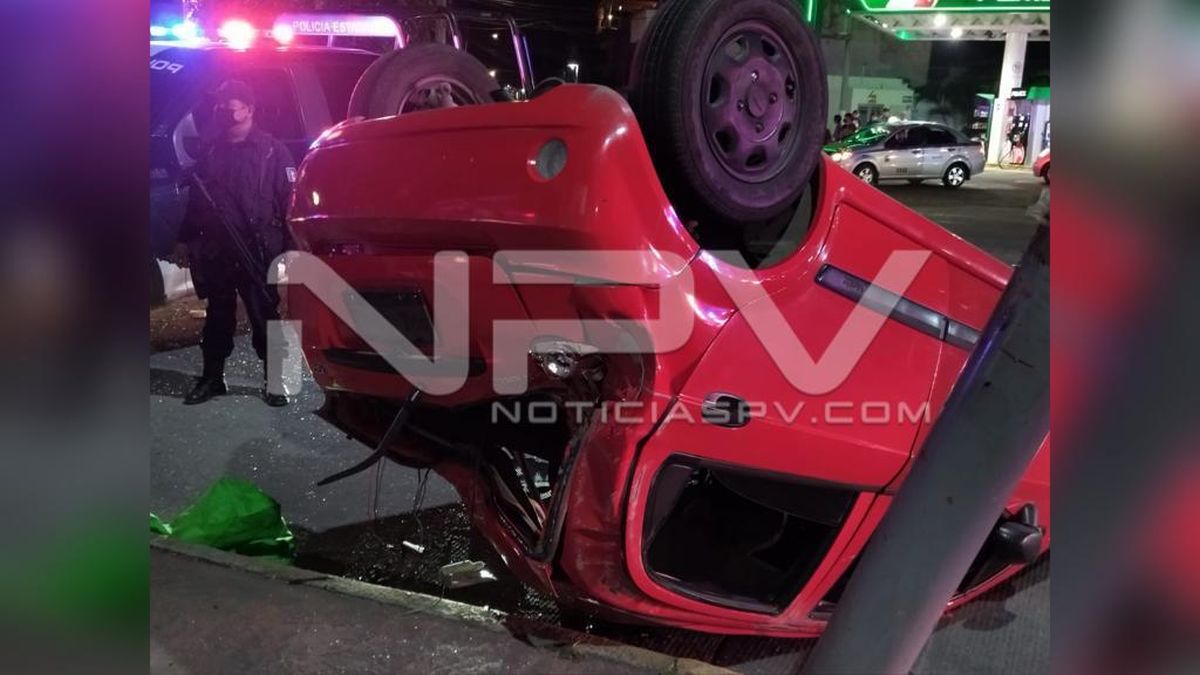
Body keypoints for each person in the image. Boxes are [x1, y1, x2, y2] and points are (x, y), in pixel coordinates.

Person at [171, 80, 297, 407]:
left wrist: (291, 247)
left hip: (257, 250)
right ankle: (213, 378)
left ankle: (276, 381)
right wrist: (185, 240)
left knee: (264, 316)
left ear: (249, 110)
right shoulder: (212, 150)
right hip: (219, 250)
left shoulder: (272, 151)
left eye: (230, 107)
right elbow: (197, 202)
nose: (223, 112)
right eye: (220, 107)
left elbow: (289, 203)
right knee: (218, 316)